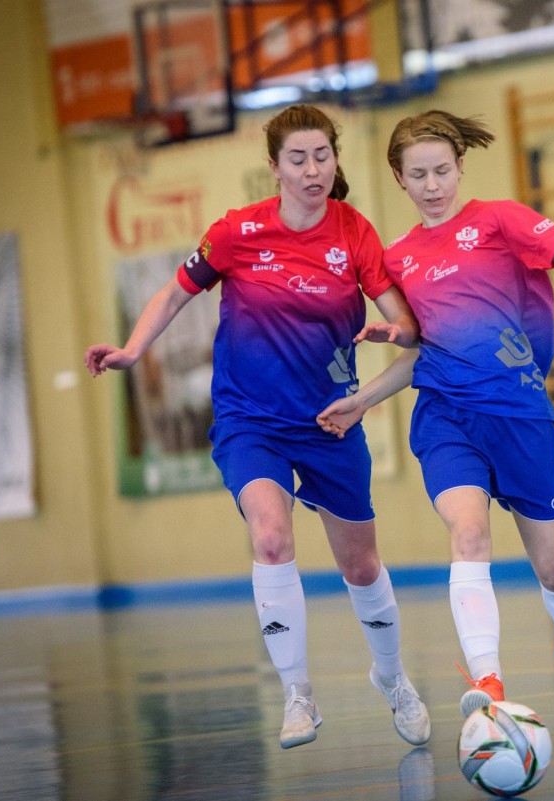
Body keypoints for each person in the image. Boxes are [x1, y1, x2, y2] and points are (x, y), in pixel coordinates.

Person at [84, 104, 431, 751]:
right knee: (271, 538)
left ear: (335, 159)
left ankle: (392, 677)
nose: (312, 170)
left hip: (329, 421)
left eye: (322, 156)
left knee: (361, 564)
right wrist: (132, 350)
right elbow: (174, 294)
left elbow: (407, 325)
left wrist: (397, 331)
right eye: (297, 159)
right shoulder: (236, 232)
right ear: (274, 166)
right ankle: (297, 693)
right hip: (250, 420)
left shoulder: (354, 232)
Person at [317, 110, 554, 728]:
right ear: (398, 178)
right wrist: (363, 399)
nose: (432, 185)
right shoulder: (399, 259)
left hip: (519, 415)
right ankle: (488, 681)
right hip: (447, 417)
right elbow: (419, 352)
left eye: (442, 171)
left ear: (459, 166)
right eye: (418, 175)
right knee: (469, 534)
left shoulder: (500, 219)